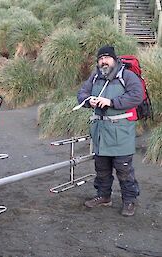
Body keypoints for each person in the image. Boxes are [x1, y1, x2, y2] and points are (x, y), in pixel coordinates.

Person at [77, 45, 143, 217]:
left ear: (114, 59)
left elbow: (137, 95)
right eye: (100, 58)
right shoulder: (95, 77)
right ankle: (103, 196)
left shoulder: (127, 76)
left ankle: (129, 201)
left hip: (121, 132)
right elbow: (81, 93)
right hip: (100, 132)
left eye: (107, 57)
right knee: (102, 168)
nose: (103, 61)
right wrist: (87, 101)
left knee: (124, 169)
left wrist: (111, 102)